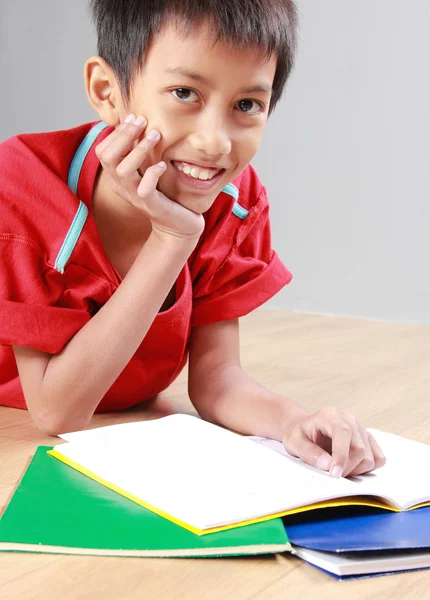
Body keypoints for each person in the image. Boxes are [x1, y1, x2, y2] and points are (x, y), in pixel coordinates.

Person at [0, 0, 385, 478]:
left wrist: (294, 421)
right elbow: (57, 413)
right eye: (185, 93)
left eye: (247, 105)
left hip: (125, 435)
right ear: (107, 91)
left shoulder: (234, 202)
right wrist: (170, 239)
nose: (215, 142)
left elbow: (216, 379)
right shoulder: (22, 188)